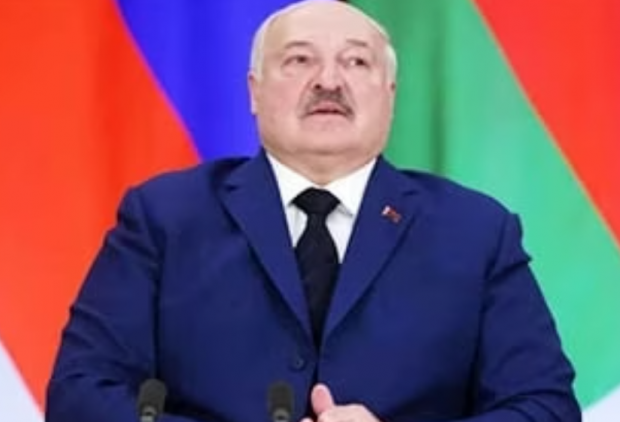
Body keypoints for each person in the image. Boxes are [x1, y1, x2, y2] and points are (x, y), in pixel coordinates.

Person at [46, 1, 581, 421]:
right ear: (254, 92)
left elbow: (546, 408)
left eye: (356, 61)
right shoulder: (165, 218)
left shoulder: (475, 232)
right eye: (299, 60)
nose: (329, 81)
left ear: (390, 94)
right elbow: (79, 395)